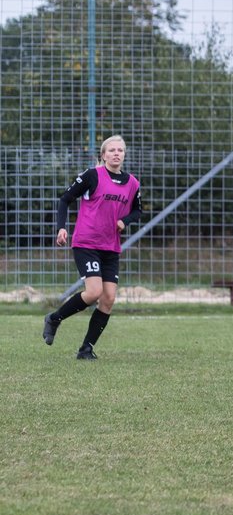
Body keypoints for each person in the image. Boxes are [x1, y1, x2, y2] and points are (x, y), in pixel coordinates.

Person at [44, 135, 142, 360]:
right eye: (112, 150)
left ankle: (86, 349)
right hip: (86, 242)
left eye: (120, 150)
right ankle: (54, 318)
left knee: (108, 298)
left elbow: (138, 210)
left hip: (111, 247)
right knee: (94, 291)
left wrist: (124, 221)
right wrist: (61, 228)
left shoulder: (133, 183)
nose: (116, 153)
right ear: (103, 154)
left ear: (124, 155)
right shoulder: (92, 176)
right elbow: (65, 199)